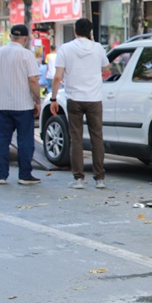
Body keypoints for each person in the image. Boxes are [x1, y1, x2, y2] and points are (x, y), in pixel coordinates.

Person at [50, 18, 110, 190]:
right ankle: (99, 179)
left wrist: (54, 99)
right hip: (94, 99)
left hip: (74, 98)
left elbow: (57, 77)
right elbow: (107, 67)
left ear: (75, 30)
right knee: (97, 138)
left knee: (76, 139)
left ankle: (78, 179)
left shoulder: (66, 48)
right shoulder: (98, 48)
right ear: (90, 32)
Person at [0, 24, 42, 185]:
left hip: (2, 104)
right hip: (23, 105)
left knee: (3, 140)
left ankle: (1, 175)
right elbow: (33, 80)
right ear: (25, 39)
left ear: (11, 37)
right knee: (25, 139)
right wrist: (37, 100)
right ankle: (25, 175)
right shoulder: (27, 55)